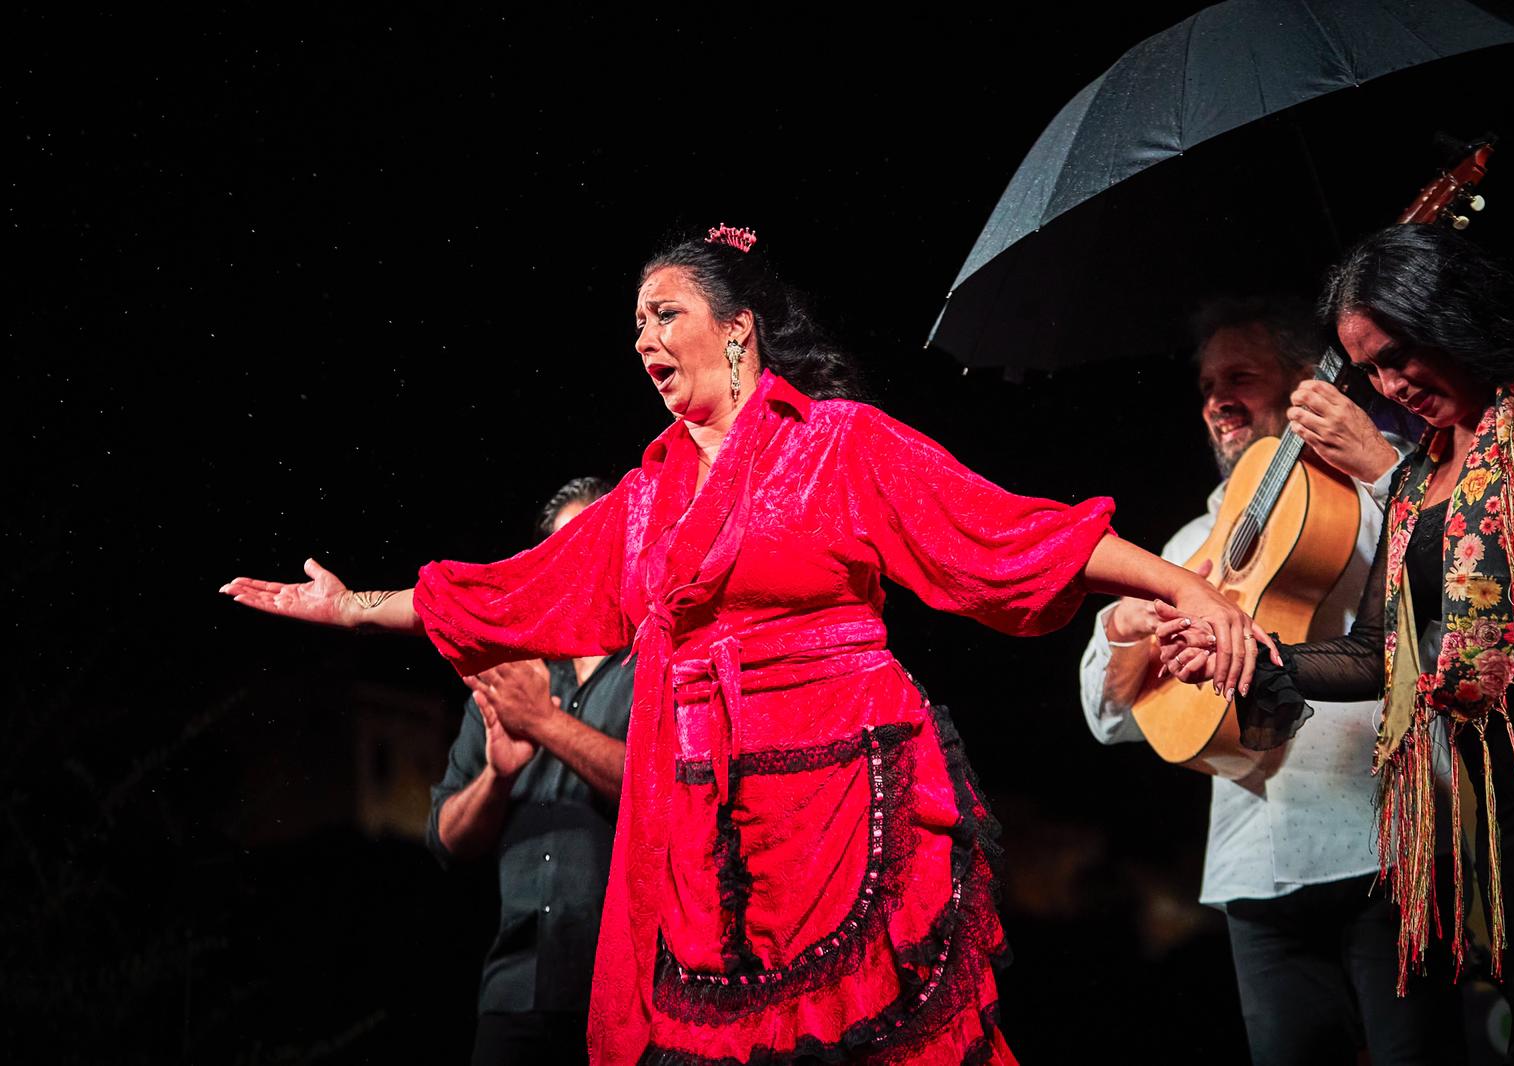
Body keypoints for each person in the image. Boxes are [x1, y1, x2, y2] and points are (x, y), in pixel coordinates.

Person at [221, 223, 1270, 1065]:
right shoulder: (642, 505)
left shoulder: (840, 444)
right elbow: (513, 592)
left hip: (848, 796)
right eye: (634, 321)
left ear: (738, 331)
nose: (641, 337)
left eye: (663, 312)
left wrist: (1189, 584)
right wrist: (350, 605)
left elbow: (1010, 532)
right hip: (714, 824)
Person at [1165, 224, 1514, 1062]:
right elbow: (1377, 651)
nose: (1391, 383)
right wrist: (1256, 652)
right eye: (1368, 369)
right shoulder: (1419, 475)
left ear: (1454, 318)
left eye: (1400, 354)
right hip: (1510, 804)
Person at [1079, 297, 1466, 1065]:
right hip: (1251, 865)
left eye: (1242, 377)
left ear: (1301, 385)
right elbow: (1109, 718)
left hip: (1380, 835)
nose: (1217, 401)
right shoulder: (1191, 541)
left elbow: (1460, 572)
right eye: (1207, 384)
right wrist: (1118, 628)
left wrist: (1384, 470)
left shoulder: (1365, 494)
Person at [427, 477, 633, 1065]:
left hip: (624, 994)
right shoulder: (509, 683)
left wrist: (544, 725)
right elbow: (445, 839)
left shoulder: (653, 667)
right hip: (513, 993)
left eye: (595, 542)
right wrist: (496, 776)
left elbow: (660, 789)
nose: (578, 563)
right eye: (561, 551)